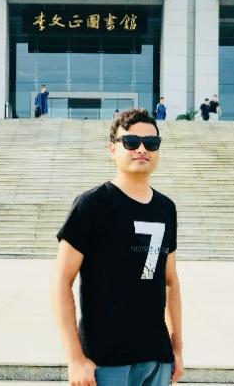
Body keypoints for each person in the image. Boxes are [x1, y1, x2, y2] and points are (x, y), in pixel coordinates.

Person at [52, 108, 184, 386]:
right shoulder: (91, 205)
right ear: (113, 149)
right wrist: (75, 358)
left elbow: (170, 281)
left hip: (157, 358)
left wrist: (177, 348)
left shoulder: (166, 208)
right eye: (131, 142)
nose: (142, 149)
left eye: (151, 143)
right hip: (105, 359)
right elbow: (61, 282)